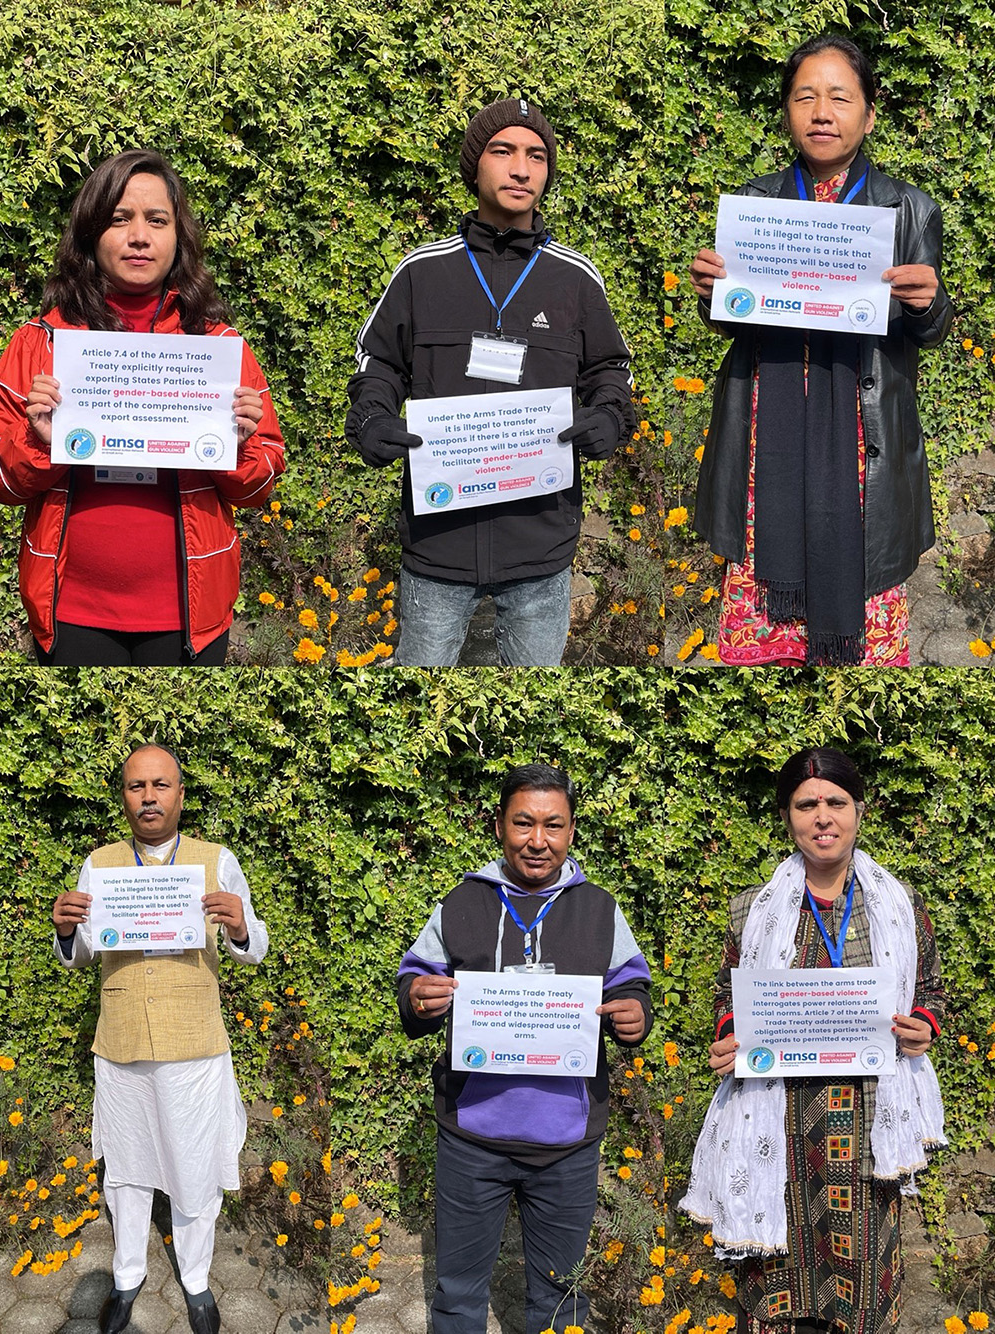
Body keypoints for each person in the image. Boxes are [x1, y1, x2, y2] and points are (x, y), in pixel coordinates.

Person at [689, 36, 952, 666]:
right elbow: (736, 320)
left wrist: (928, 303)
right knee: (762, 641)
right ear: (787, 110)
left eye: (840, 97)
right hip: (768, 444)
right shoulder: (758, 204)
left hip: (862, 445)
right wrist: (711, 293)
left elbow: (931, 332)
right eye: (806, 96)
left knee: (859, 651)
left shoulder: (908, 209)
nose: (822, 112)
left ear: (868, 112)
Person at [346, 98, 636, 666]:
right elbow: (377, 365)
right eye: (503, 152)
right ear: (475, 165)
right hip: (437, 543)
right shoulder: (421, 272)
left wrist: (608, 417)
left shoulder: (574, 279)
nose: (521, 169)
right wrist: (372, 419)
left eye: (536, 156)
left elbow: (611, 371)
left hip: (541, 545)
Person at [680, 747, 946, 1334]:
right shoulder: (753, 911)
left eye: (836, 802)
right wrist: (728, 1039)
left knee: (859, 1288)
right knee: (775, 1280)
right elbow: (731, 999)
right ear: (787, 816)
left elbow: (929, 988)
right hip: (778, 1125)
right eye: (807, 805)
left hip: (864, 1130)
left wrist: (923, 1025)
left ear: (858, 811)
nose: (822, 817)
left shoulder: (898, 907)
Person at [0, 149, 285, 665]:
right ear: (90, 233)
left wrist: (238, 447)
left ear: (179, 237)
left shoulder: (219, 349)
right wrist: (39, 441)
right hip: (71, 612)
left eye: (157, 220)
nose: (139, 236)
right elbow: (4, 482)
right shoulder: (38, 344)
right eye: (119, 219)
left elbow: (262, 486)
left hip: (190, 616)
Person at [397, 763, 652, 1332]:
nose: (538, 841)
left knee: (562, 1301)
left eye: (553, 826)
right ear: (499, 827)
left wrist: (636, 1016)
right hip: (472, 1140)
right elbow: (415, 977)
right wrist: (418, 996)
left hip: (567, 1143)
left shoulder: (601, 909)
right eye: (523, 823)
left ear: (571, 832)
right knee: (458, 1295)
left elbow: (630, 985)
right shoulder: (461, 902)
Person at [52, 743, 268, 1334]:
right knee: (125, 1169)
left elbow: (253, 952)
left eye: (160, 785)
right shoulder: (100, 865)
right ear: (124, 795)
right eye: (136, 786)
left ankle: (196, 1280)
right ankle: (127, 1277)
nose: (148, 797)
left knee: (193, 1165)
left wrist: (243, 925)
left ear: (179, 792)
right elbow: (83, 953)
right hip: (120, 1043)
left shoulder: (215, 861)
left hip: (193, 1045)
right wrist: (68, 931)